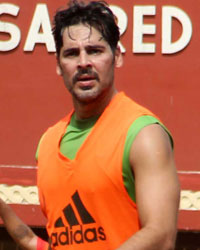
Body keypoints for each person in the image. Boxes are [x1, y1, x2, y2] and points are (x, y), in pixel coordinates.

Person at [36, 0, 180, 249]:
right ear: (58, 66)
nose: (83, 63)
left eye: (94, 51)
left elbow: (161, 236)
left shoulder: (143, 134)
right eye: (71, 53)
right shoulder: (47, 144)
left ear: (118, 57)